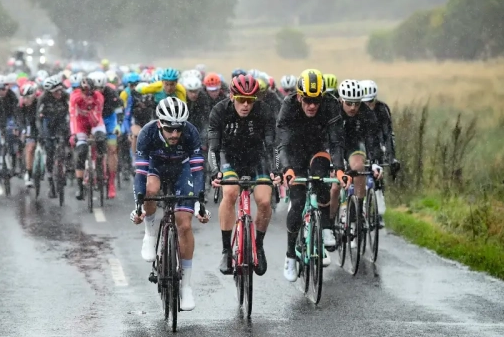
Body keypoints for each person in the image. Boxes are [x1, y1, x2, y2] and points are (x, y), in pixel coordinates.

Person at [130, 97, 210, 311]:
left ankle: (186, 287)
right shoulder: (146, 134)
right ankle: (150, 233)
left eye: (178, 129)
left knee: (184, 224)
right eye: (169, 129)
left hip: (182, 170)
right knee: (150, 190)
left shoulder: (191, 133)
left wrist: (200, 202)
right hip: (157, 168)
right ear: (159, 124)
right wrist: (138, 204)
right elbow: (140, 172)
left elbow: (198, 170)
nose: (175, 134)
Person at [276, 69, 345, 281]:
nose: (312, 105)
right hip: (295, 151)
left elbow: (336, 142)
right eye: (307, 100)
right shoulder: (288, 106)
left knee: (322, 180)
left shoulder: (332, 105)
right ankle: (290, 256)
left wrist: (340, 168)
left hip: (318, 148)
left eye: (316, 100)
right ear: (298, 96)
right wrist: (286, 169)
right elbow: (283, 143)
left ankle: (325, 226)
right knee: (297, 202)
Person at [207, 74, 278, 277]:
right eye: (241, 100)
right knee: (230, 192)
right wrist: (215, 172)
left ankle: (259, 245)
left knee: (264, 201)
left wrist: (276, 169)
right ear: (232, 96)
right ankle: (226, 251)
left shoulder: (264, 112)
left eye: (250, 100)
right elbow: (213, 147)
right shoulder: (220, 111)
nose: (246, 105)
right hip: (229, 157)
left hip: (257, 158)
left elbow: (272, 145)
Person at [330, 80, 383, 241]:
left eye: (357, 104)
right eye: (349, 103)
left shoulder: (366, 113)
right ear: (341, 100)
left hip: (353, 145)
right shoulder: (332, 110)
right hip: (334, 145)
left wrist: (375, 161)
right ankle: (330, 224)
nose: (353, 108)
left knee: (359, 167)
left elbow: (372, 139)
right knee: (334, 187)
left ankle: (357, 212)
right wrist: (334, 165)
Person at [360, 79, 399, 228]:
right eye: (364, 103)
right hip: (359, 143)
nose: (368, 106)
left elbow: (388, 135)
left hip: (376, 143)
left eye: (371, 102)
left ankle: (379, 210)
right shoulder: (357, 110)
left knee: (378, 172)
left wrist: (391, 157)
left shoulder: (382, 109)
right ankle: (358, 208)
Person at [69, 75, 106, 200]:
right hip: (80, 125)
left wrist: (94, 132)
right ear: (80, 90)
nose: (87, 94)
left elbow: (98, 116)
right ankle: (80, 187)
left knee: (101, 139)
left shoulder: (98, 97)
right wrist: (74, 134)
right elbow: (73, 117)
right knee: (81, 152)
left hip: (95, 122)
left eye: (90, 91)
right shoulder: (75, 97)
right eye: (84, 91)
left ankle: (100, 169)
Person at [88, 71, 123, 199]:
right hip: (94, 119)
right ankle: (91, 170)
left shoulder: (111, 92)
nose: (99, 91)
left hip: (109, 120)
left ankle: (111, 182)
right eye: (95, 88)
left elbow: (119, 108)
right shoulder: (86, 93)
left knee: (112, 149)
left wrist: (119, 124)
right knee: (92, 144)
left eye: (101, 88)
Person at [38, 75, 71, 198]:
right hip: (48, 123)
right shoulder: (43, 98)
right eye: (55, 92)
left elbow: (72, 111)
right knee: (50, 149)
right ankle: (51, 179)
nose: (59, 93)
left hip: (61, 122)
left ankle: (67, 167)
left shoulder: (66, 96)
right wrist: (41, 134)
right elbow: (38, 118)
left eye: (60, 90)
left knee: (67, 143)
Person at [18, 82, 40, 187]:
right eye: (23, 97)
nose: (25, 100)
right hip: (30, 126)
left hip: (40, 125)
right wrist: (23, 131)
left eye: (27, 98)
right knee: (30, 148)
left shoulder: (39, 103)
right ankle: (29, 173)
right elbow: (21, 120)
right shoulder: (22, 106)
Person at [182, 75, 211, 149]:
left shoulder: (203, 97)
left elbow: (205, 120)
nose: (193, 94)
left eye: (196, 91)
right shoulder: (181, 97)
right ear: (185, 90)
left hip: (198, 125)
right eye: (190, 91)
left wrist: (203, 141)